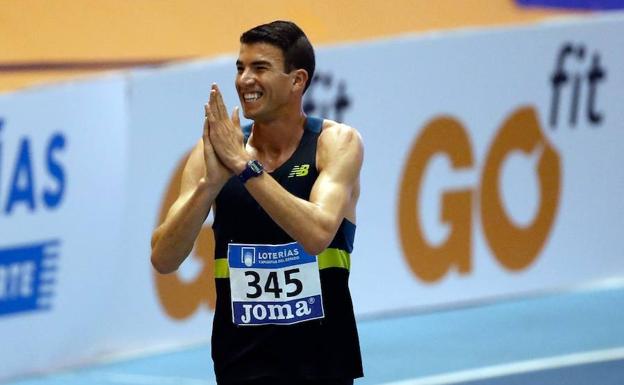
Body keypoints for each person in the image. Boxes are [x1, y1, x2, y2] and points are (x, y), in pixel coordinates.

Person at [151, 20, 364, 385]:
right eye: (240, 67)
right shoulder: (213, 157)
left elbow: (316, 235)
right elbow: (163, 258)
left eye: (260, 68)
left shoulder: (336, 144)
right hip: (242, 366)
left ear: (297, 80)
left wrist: (245, 169)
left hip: (323, 365)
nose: (244, 80)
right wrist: (209, 185)